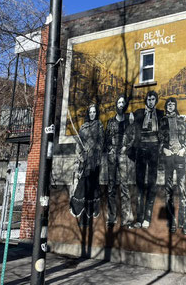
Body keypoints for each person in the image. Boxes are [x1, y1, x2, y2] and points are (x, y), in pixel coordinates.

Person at [159, 97, 186, 235]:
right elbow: (158, 138)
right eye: (169, 104)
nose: (171, 106)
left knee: (183, 190)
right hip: (168, 157)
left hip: (180, 156)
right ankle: (171, 222)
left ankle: (184, 223)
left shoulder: (182, 120)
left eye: (173, 104)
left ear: (175, 106)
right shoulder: (162, 121)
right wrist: (163, 149)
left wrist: (184, 148)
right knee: (169, 191)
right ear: (166, 107)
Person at [132, 90, 163, 229]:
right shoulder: (139, 113)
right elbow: (128, 119)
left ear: (156, 101)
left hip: (154, 150)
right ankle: (139, 218)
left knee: (152, 182)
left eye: (153, 99)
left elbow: (175, 118)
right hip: (141, 149)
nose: (151, 102)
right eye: (149, 99)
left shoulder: (161, 114)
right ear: (146, 100)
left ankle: (147, 217)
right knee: (139, 183)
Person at [70, 104, 104, 219]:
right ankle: (77, 207)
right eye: (90, 112)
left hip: (94, 160)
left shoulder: (99, 125)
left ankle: (92, 209)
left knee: (93, 183)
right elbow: (79, 145)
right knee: (82, 182)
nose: (92, 114)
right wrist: (81, 156)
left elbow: (101, 142)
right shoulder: (83, 127)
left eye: (94, 112)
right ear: (88, 114)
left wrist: (92, 147)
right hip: (84, 160)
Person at [105, 95, 135, 227]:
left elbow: (132, 137)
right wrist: (110, 149)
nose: (121, 104)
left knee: (124, 187)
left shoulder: (129, 121)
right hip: (112, 156)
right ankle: (112, 218)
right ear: (116, 105)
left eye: (123, 102)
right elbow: (106, 138)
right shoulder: (111, 122)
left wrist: (125, 147)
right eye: (119, 102)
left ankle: (126, 219)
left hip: (123, 156)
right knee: (111, 187)